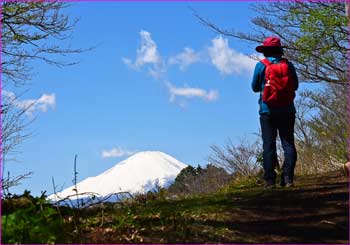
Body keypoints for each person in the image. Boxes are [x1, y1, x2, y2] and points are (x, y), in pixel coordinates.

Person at [252, 36, 299, 188]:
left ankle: (270, 180)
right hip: (287, 109)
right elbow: (295, 86)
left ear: (265, 51)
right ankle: (288, 179)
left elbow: (254, 87)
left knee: (268, 145)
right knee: (288, 144)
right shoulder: (288, 65)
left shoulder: (261, 66)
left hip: (267, 111)